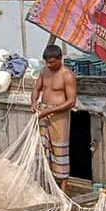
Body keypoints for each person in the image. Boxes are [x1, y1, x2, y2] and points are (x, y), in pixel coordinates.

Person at [30, 44, 77, 192]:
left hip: (59, 116)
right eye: (47, 62)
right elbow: (36, 89)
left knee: (60, 151)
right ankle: (45, 186)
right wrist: (33, 103)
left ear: (60, 59)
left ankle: (63, 189)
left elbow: (71, 102)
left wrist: (51, 110)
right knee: (43, 149)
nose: (49, 65)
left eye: (52, 62)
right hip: (43, 112)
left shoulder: (66, 75)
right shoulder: (44, 71)